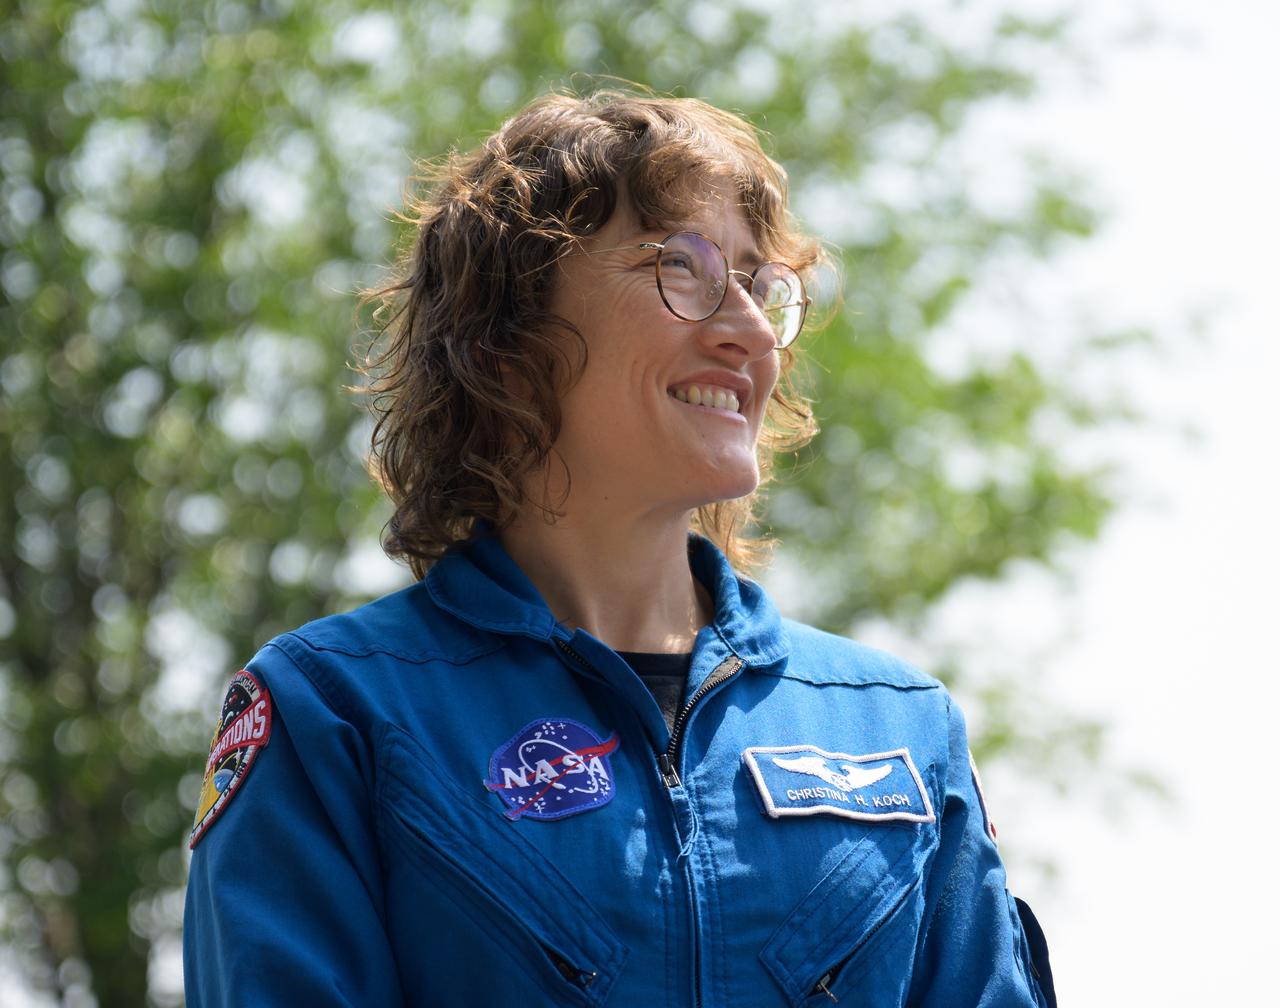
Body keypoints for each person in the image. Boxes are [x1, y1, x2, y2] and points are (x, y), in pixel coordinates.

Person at [183, 88, 1055, 1007]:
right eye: (681, 266)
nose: (751, 332)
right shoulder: (332, 713)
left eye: (762, 286)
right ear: (505, 338)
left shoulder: (902, 730)